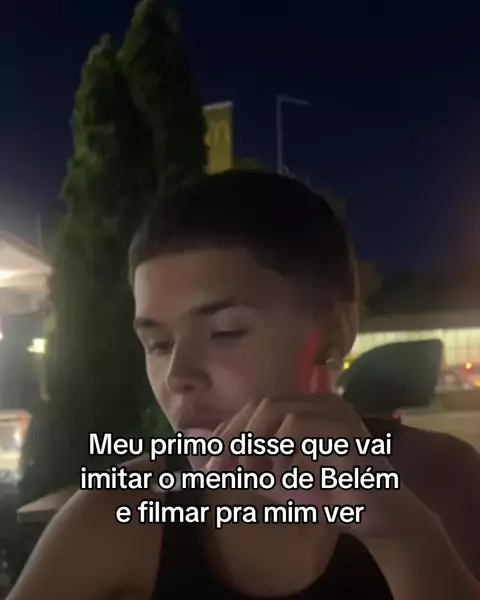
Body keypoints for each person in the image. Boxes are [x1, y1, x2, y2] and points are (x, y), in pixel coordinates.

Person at [7, 171, 480, 599]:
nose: (178, 375)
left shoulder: (444, 483)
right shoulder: (116, 515)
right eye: (158, 344)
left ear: (333, 335)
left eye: (225, 332)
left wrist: (400, 535)